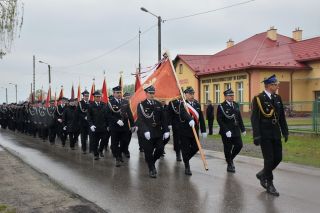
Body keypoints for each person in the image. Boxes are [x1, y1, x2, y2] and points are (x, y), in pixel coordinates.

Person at [251, 74, 289, 196]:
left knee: (278, 158)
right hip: (265, 133)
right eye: (275, 84)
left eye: (277, 84)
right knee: (269, 159)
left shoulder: (277, 98)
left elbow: (281, 117)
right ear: (268, 85)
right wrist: (256, 135)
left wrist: (285, 131)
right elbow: (254, 118)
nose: (277, 86)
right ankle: (269, 183)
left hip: (276, 132)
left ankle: (262, 174)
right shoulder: (258, 98)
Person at [136, 85, 169, 178]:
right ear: (146, 93)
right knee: (148, 152)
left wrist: (166, 130)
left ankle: (152, 162)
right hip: (147, 133)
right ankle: (151, 169)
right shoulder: (141, 105)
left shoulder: (158, 104)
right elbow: (140, 120)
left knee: (160, 149)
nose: (152, 95)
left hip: (157, 132)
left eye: (153, 93)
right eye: (150, 93)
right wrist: (145, 130)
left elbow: (163, 119)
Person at [178, 87, 207, 176]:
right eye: (190, 94)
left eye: (193, 93)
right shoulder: (182, 104)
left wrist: (203, 130)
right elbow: (183, 113)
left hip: (195, 131)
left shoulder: (197, 104)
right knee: (185, 149)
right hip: (185, 132)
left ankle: (186, 159)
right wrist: (190, 119)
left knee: (196, 147)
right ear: (185, 95)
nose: (192, 95)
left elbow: (201, 118)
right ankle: (187, 166)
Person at [217, 88, 245, 173]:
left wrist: (243, 129)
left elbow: (239, 117)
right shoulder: (221, 106)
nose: (232, 97)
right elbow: (219, 120)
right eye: (230, 95)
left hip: (236, 130)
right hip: (227, 131)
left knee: (239, 145)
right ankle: (230, 164)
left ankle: (230, 159)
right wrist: (226, 130)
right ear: (225, 97)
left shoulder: (236, 104)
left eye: (232, 95)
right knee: (228, 148)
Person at [107, 86, 135, 167]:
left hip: (125, 126)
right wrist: (116, 120)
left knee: (125, 142)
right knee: (114, 144)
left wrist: (133, 125)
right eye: (117, 93)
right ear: (114, 93)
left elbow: (129, 114)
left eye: (120, 92)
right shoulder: (110, 102)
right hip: (115, 127)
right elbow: (108, 114)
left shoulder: (125, 101)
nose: (119, 94)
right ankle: (117, 158)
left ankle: (119, 154)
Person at [87, 91, 109, 160]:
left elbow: (107, 116)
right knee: (95, 142)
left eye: (99, 96)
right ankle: (96, 154)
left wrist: (108, 125)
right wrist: (91, 125)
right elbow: (89, 117)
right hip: (95, 127)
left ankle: (100, 150)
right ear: (94, 97)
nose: (98, 98)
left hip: (103, 126)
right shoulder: (90, 105)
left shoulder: (104, 104)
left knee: (104, 140)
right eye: (97, 97)